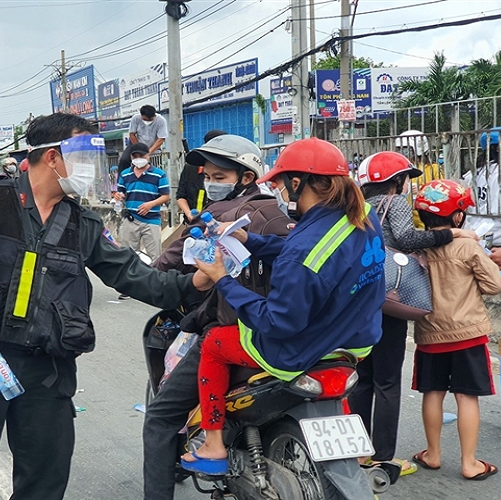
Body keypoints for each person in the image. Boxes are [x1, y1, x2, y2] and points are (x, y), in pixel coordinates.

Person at [0, 112, 206, 500]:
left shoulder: (82, 223)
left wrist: (194, 283)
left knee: (45, 479)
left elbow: (133, 275)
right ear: (52, 157)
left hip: (48, 369)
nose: (90, 170)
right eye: (85, 158)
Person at [178, 137, 385, 474]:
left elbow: (276, 322)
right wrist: (249, 240)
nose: (277, 189)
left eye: (279, 181)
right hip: (357, 341)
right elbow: (313, 255)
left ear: (297, 181)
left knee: (215, 344)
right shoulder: (363, 214)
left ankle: (214, 445)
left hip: (304, 348)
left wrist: (221, 278)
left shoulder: (303, 249)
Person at [143, 135, 279, 500]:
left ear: (246, 177)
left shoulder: (214, 219)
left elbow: (164, 265)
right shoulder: (285, 215)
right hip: (290, 332)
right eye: (209, 175)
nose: (211, 182)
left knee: (159, 418)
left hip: (234, 334)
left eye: (220, 177)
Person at [350, 152, 477, 476]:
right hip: (390, 301)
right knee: (388, 381)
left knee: (363, 379)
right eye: (406, 178)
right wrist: (449, 234)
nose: (407, 184)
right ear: (396, 181)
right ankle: (383, 457)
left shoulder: (356, 208)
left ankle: (358, 452)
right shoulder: (395, 203)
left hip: (360, 301)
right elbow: (406, 238)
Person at [410, 179, 501, 480]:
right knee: (466, 397)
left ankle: (433, 454)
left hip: (429, 334)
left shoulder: (418, 246)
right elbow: (495, 285)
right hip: (468, 333)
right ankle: (469, 462)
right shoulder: (467, 245)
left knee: (433, 392)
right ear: (458, 216)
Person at [115, 142, 170, 266]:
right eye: (135, 157)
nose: (138, 159)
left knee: (155, 257)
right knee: (128, 255)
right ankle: (131, 282)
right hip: (130, 219)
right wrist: (119, 196)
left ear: (148, 156)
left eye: (142, 156)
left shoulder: (159, 174)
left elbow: (166, 196)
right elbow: (121, 192)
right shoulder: (125, 174)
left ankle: (155, 283)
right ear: (131, 158)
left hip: (151, 220)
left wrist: (150, 204)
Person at [176, 129, 227, 223]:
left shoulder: (229, 170)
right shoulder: (190, 168)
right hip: (194, 223)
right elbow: (181, 196)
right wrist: (189, 214)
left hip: (220, 222)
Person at [118, 105, 168, 171]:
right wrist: (139, 149)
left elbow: (161, 138)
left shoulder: (161, 121)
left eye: (150, 120)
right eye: (145, 119)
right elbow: (132, 135)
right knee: (124, 160)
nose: (147, 121)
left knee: (154, 167)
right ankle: (121, 179)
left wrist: (148, 152)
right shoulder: (135, 118)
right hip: (136, 144)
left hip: (153, 146)